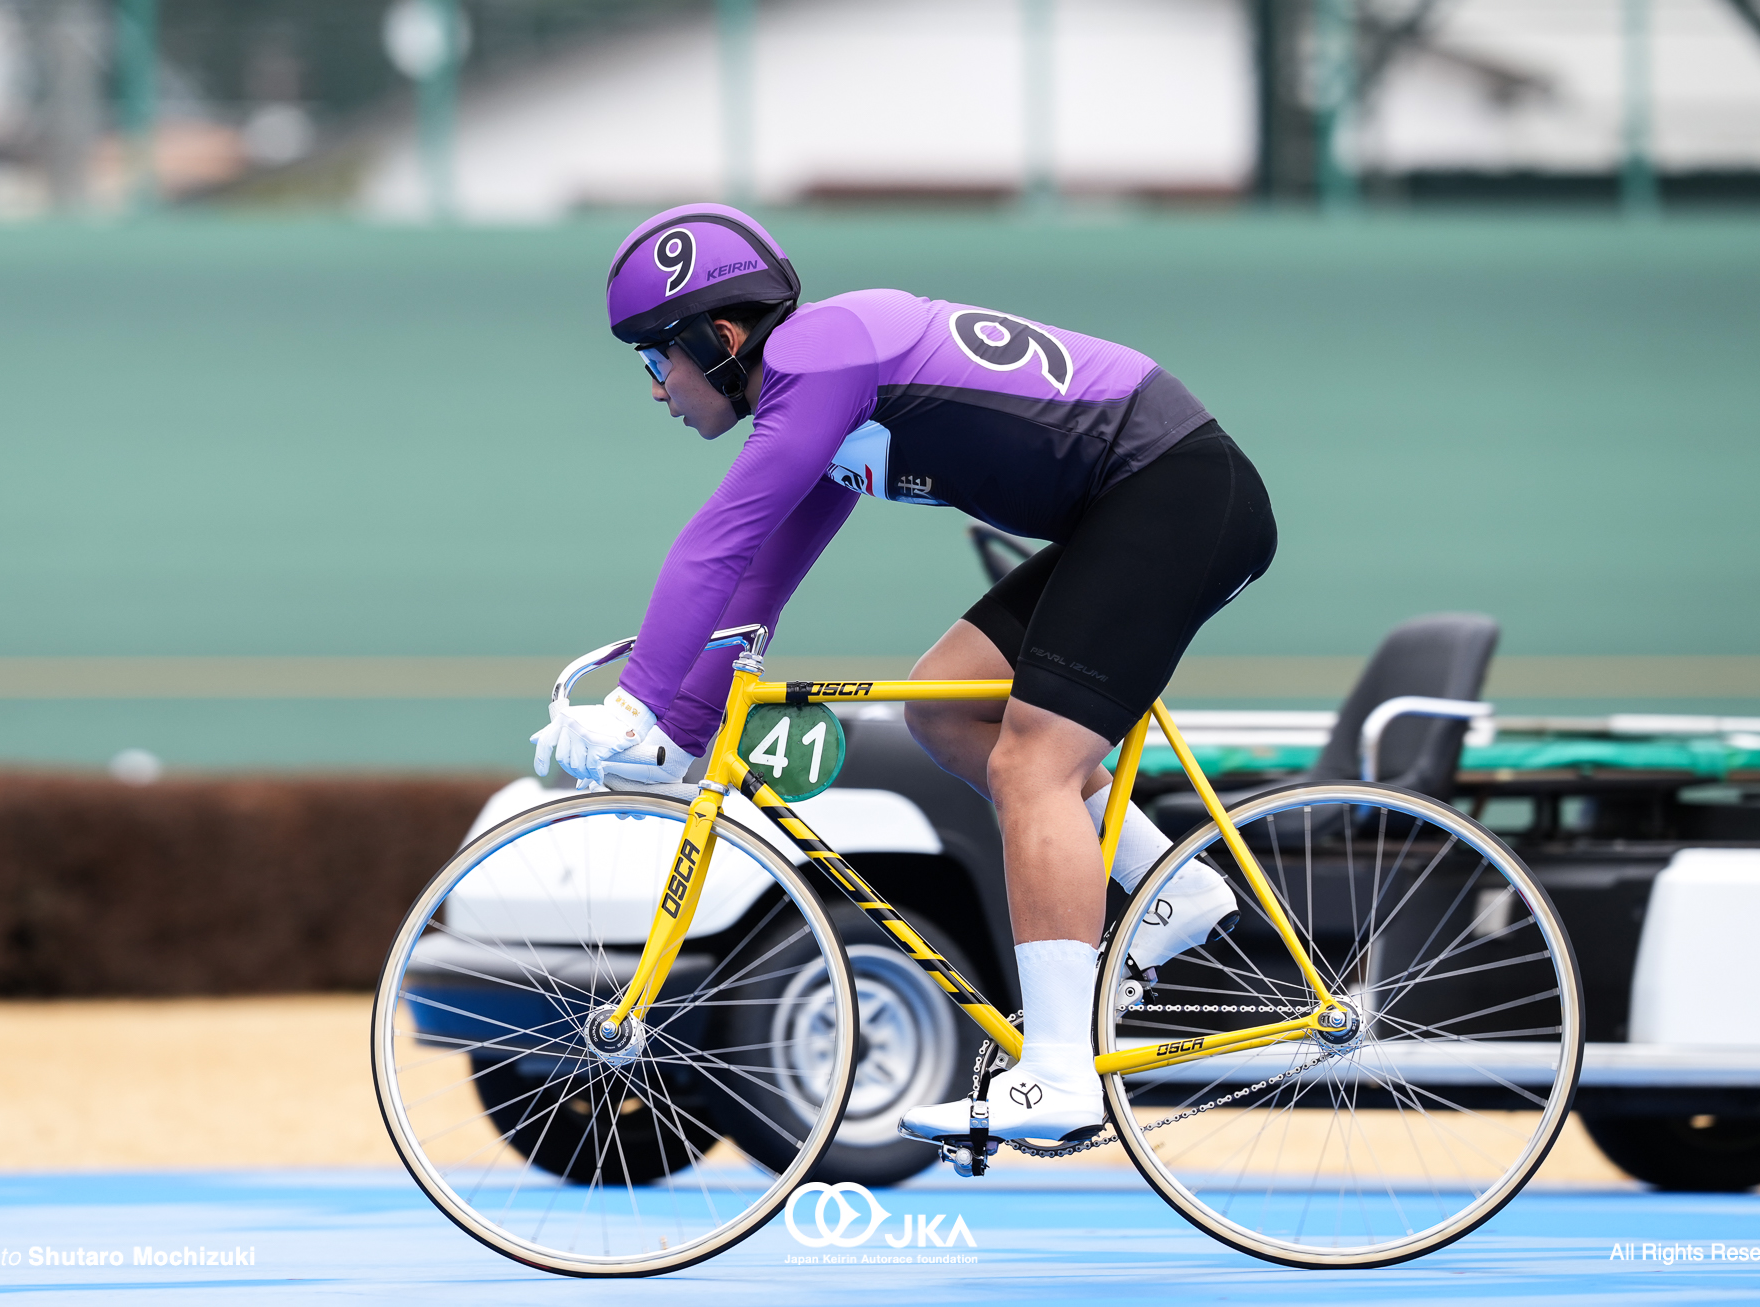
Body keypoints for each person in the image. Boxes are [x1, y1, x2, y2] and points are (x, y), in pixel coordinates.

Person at [533, 204, 1276, 1146]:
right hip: (1138, 499)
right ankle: (1170, 885)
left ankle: (1058, 1073)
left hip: (1173, 491)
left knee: (1030, 765)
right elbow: (757, 579)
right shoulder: (817, 393)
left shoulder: (821, 357)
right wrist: (675, 733)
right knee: (944, 704)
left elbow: (713, 543)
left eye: (654, 360)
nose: (655, 389)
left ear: (719, 338)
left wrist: (635, 698)